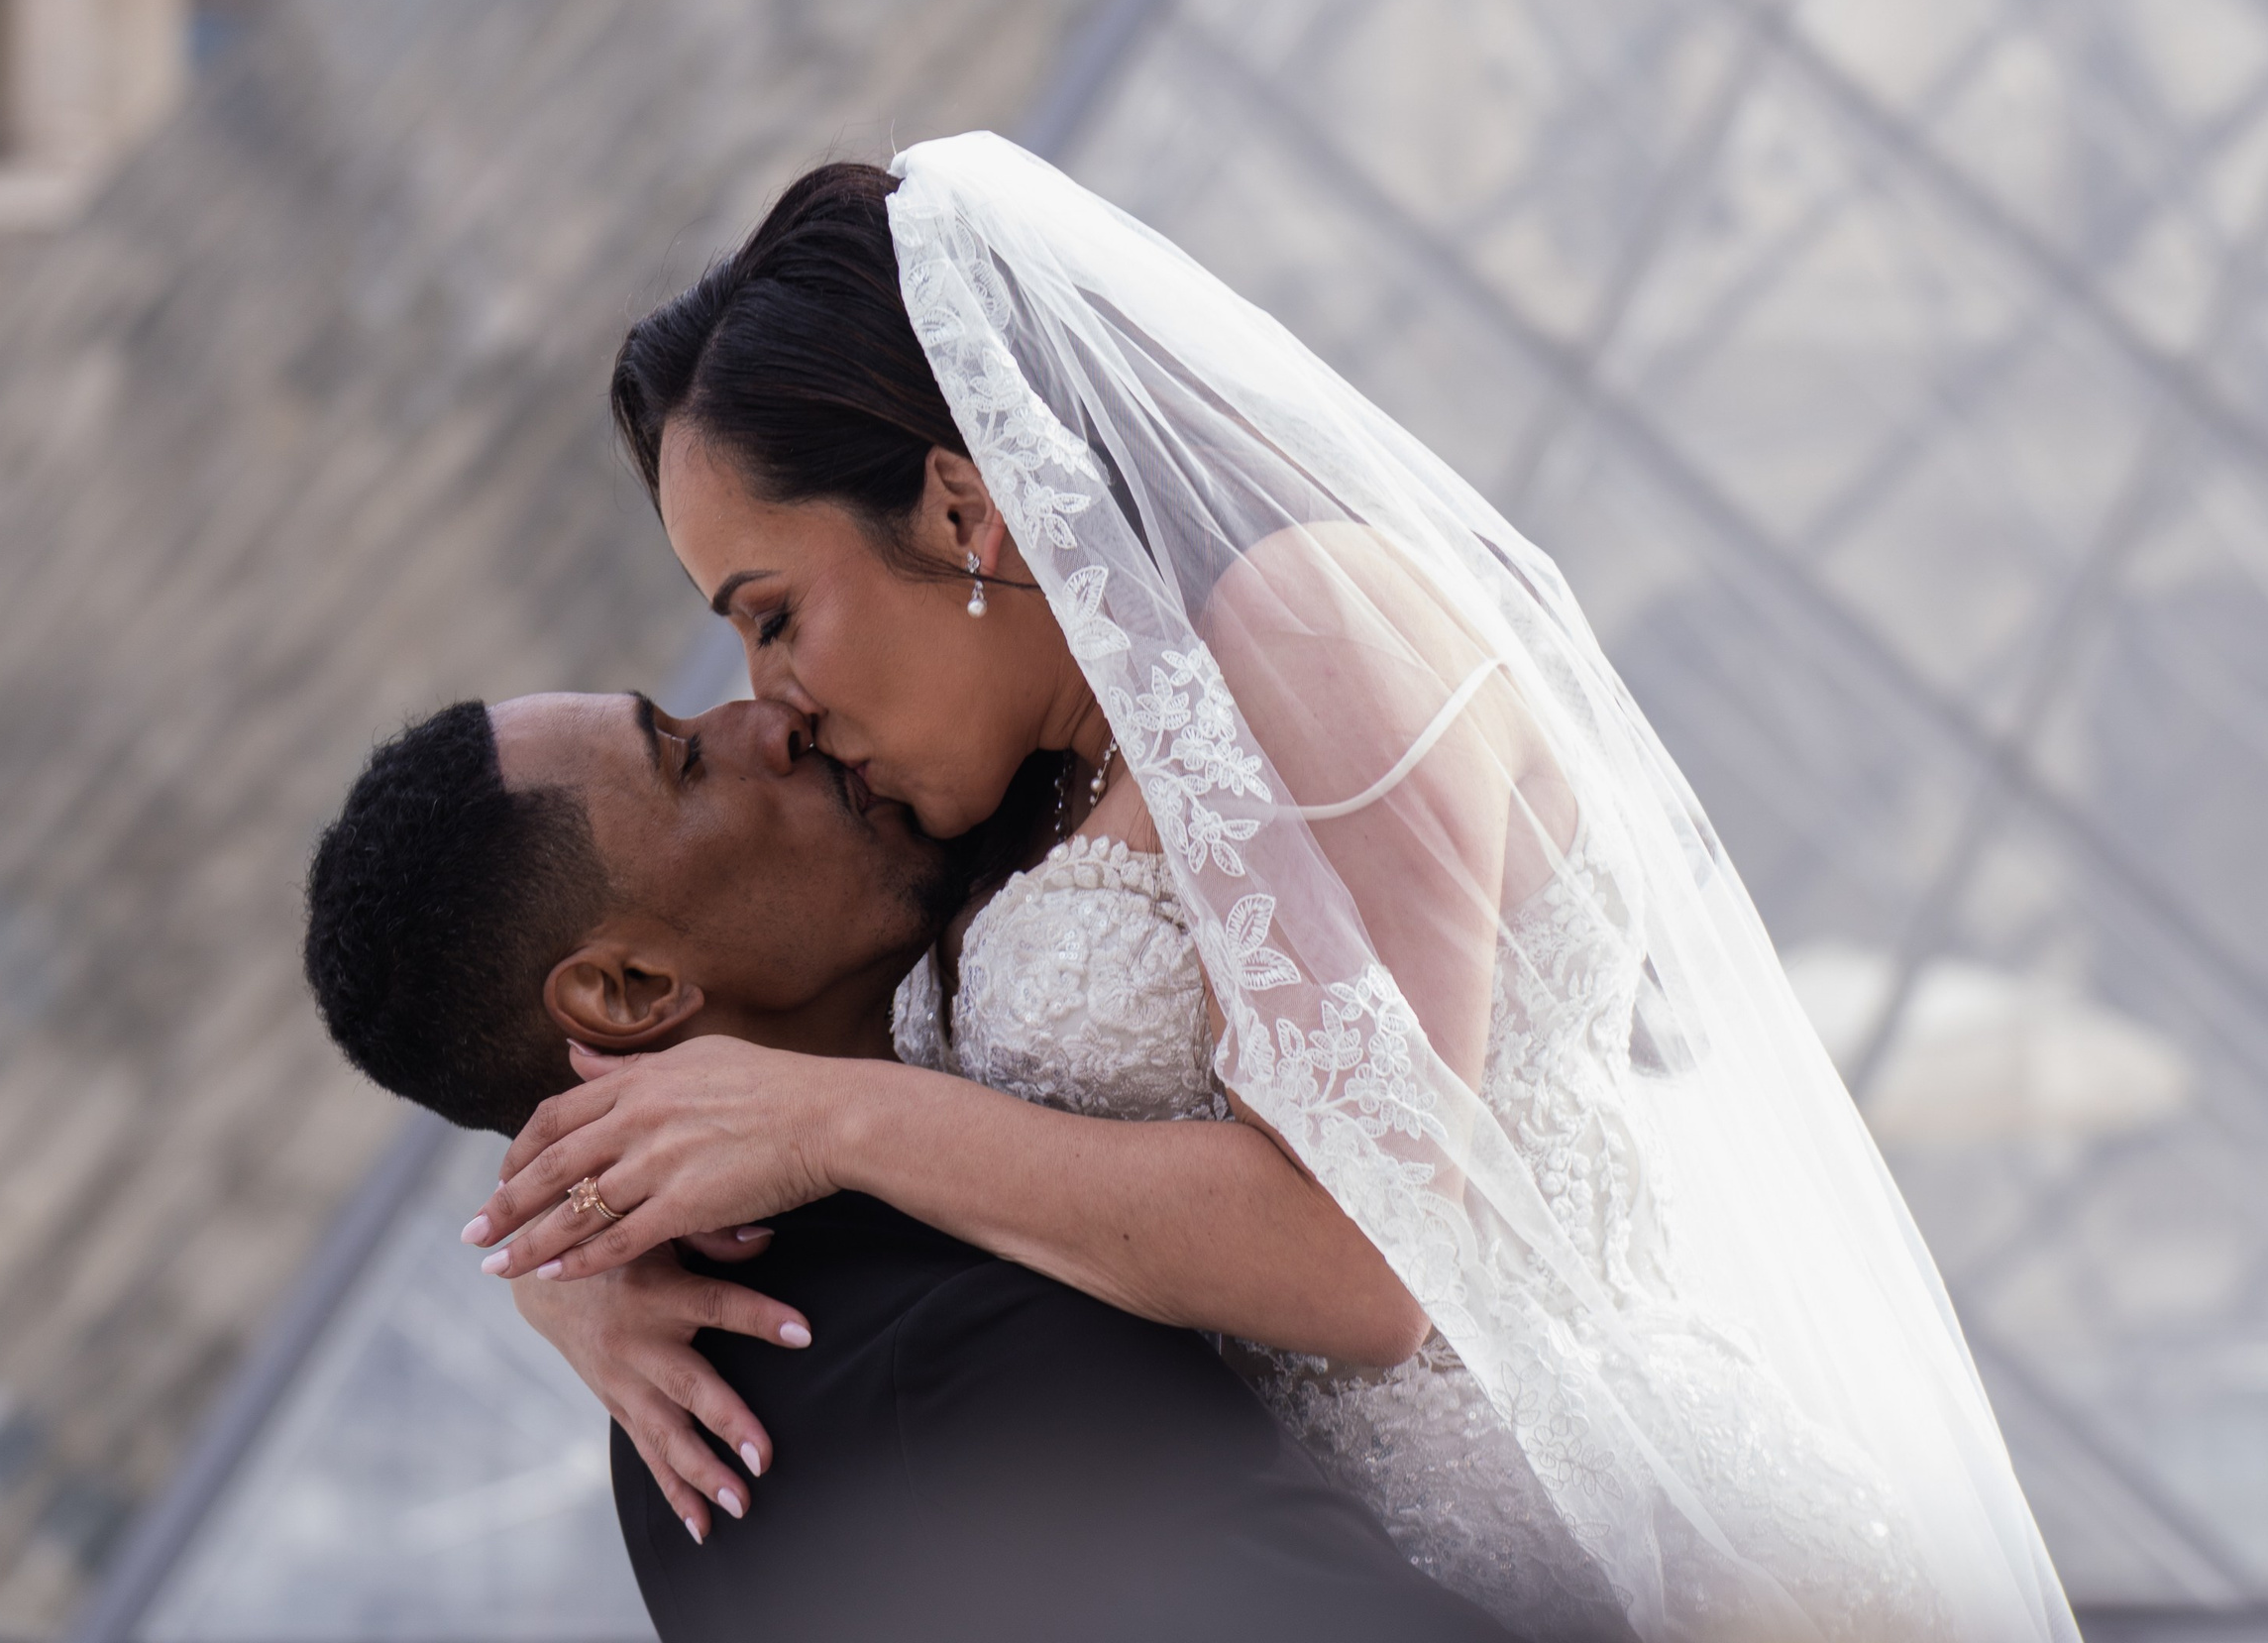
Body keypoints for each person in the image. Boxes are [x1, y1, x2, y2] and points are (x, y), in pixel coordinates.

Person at [466, 139, 2080, 1641]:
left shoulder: (1311, 630)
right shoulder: (1009, 796)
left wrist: (836, 1125)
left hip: (1651, 1572)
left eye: (771, 615)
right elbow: (719, 1028)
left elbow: (1364, 1263)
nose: (776, 702)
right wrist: (585, 1264)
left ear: (961, 507)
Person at [304, 690, 1520, 1643]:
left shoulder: (673, 1455)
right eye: (684, 756)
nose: (770, 718)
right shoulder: (935, 1356)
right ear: (629, 991)